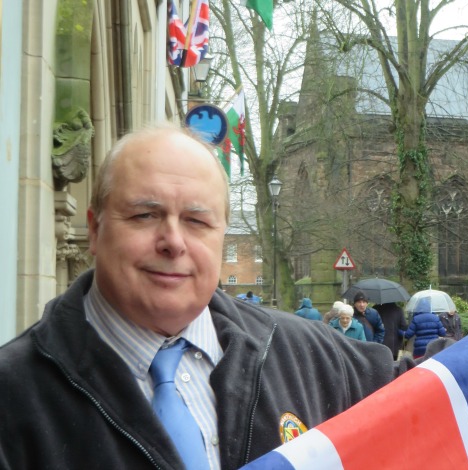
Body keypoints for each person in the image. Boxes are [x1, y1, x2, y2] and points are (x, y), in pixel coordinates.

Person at [0, 125, 398, 469]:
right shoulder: (15, 396)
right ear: (94, 230)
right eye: (144, 215)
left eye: (196, 220)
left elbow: (436, 395)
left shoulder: (310, 359)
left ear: (221, 233)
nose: (173, 241)